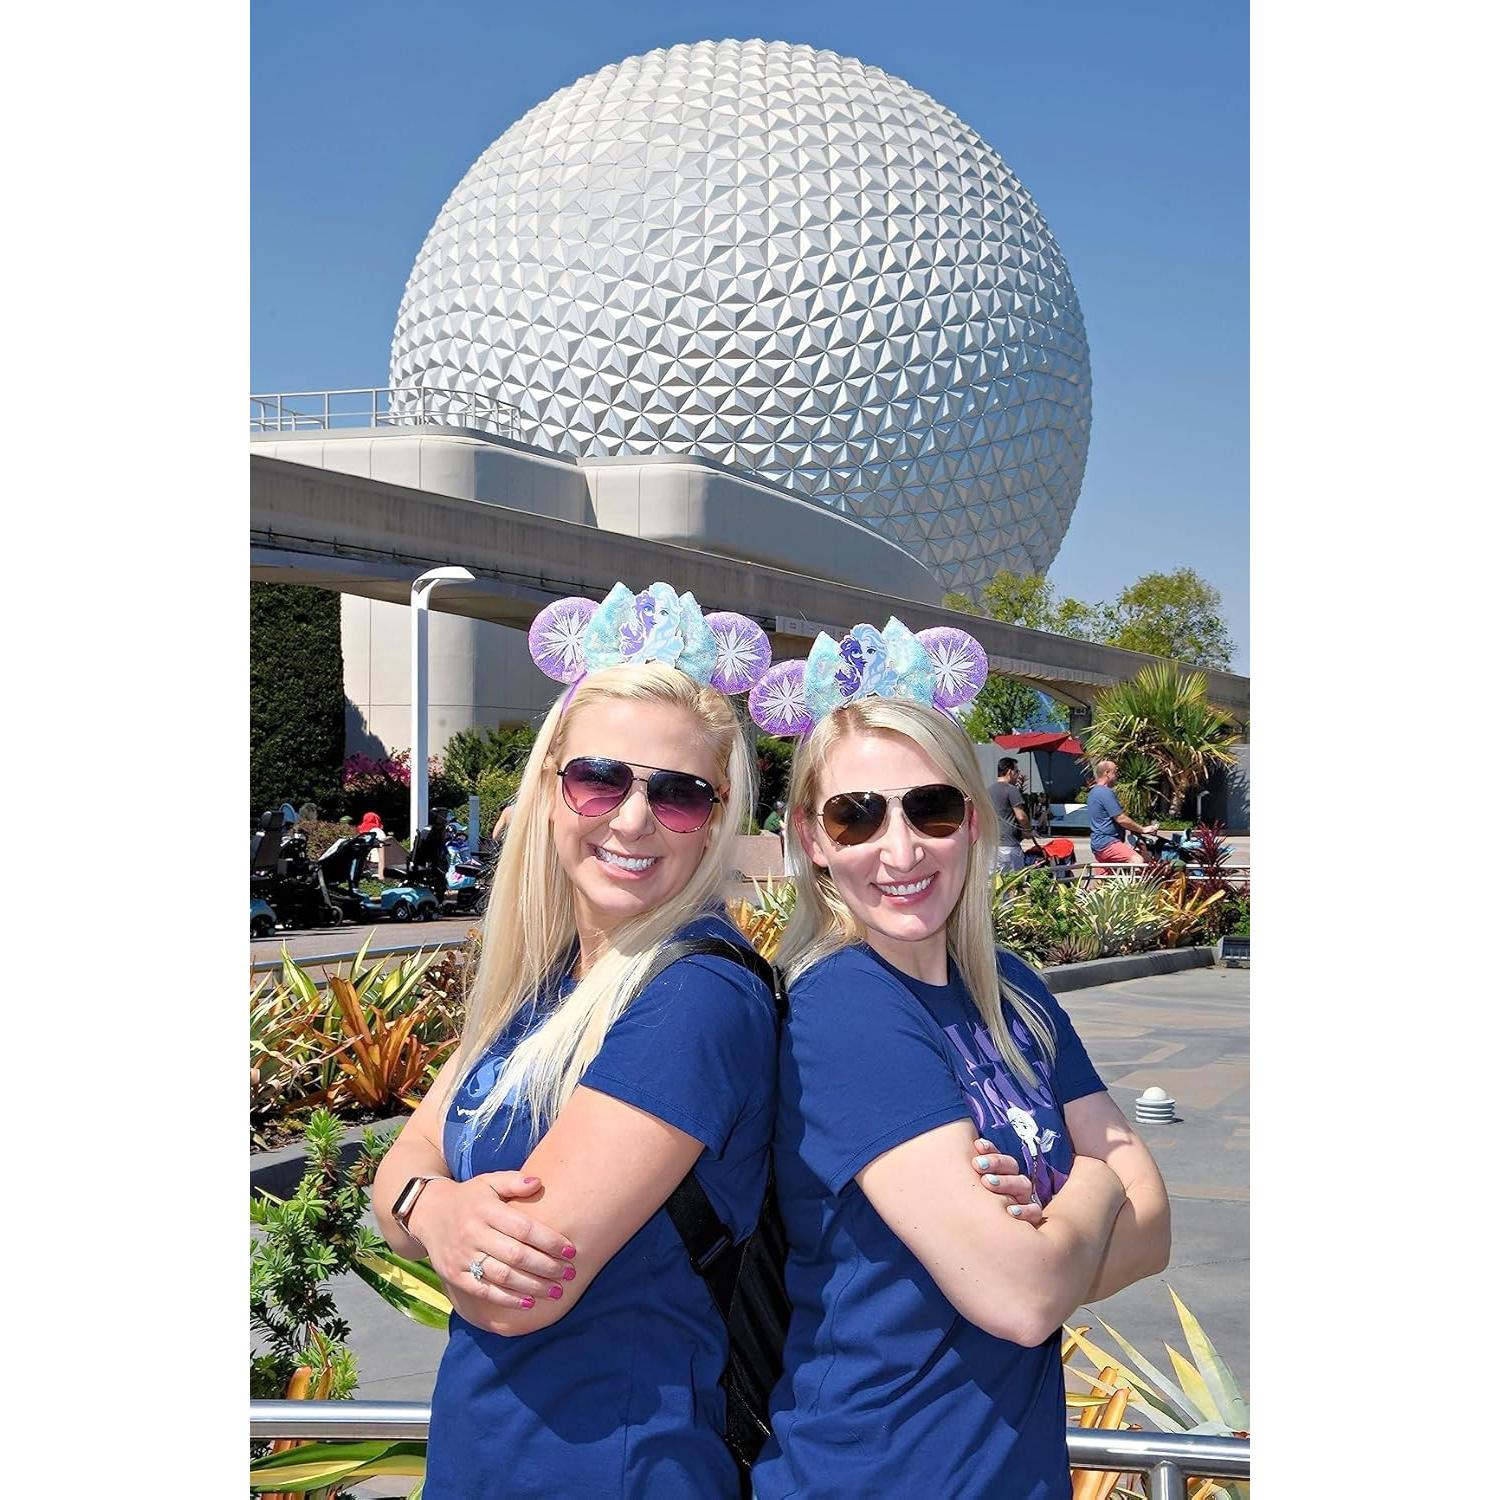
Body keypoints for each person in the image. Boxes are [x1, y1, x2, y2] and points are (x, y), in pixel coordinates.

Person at [373, 582, 780, 1498]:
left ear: (717, 819)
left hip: (615, 1469)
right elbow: (400, 1167)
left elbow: (515, 1287)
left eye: (679, 795)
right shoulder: (548, 980)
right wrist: (432, 1209)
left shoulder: (697, 996)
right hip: (490, 1459)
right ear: (551, 785)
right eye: (600, 779)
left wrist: (424, 1205)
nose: (632, 819)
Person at [747, 618, 1170, 1499]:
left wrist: (1051, 1234)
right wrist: (1091, 1182)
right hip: (876, 1474)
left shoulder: (1012, 991)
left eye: (930, 809)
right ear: (813, 839)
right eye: (856, 816)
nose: (899, 850)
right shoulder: (846, 1004)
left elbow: (1156, 1230)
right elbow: (1020, 1299)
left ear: (971, 821)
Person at [1087, 758, 1160, 865]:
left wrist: (1134, 829)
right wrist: (1142, 829)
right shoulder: (1104, 792)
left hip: (1098, 844)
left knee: (1107, 877)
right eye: (1115, 772)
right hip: (1108, 842)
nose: (1117, 776)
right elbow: (1121, 819)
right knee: (1137, 860)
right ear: (1107, 773)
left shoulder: (1094, 792)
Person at [986, 756, 1033, 872]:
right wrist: (1028, 830)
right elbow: (1021, 816)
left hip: (992, 845)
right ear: (1009, 772)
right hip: (1009, 846)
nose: (1017, 775)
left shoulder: (988, 791)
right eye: (1016, 771)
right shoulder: (1011, 790)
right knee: (1013, 884)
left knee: (995, 884)